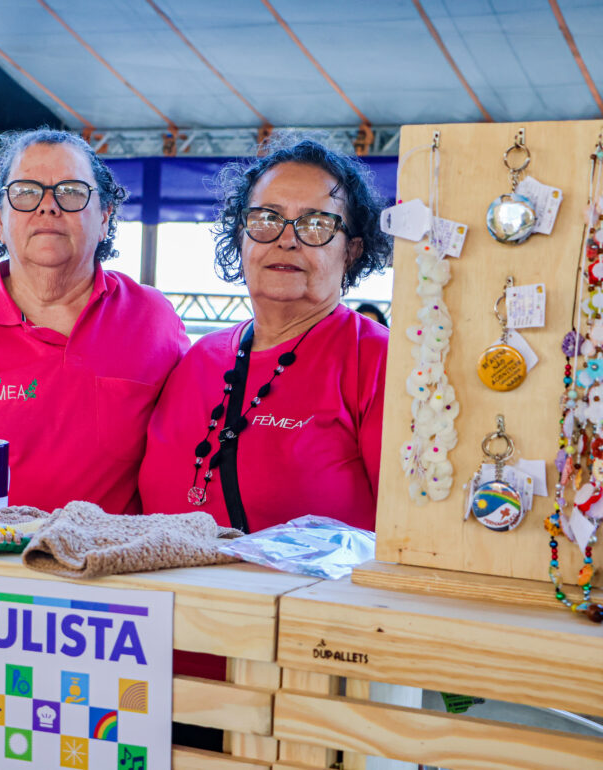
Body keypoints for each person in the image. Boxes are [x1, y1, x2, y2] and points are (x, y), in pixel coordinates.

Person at [138, 136, 391, 749]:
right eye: (267, 218)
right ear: (241, 235)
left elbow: (405, 544)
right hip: (164, 673)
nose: (287, 239)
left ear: (353, 249)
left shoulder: (375, 359)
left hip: (300, 686)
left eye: (316, 224)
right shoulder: (197, 358)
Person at [0, 128, 189, 513]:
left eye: (71, 191)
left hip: (108, 552)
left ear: (105, 218)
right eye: (26, 192)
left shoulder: (153, 320)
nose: (48, 206)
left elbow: (189, 464)